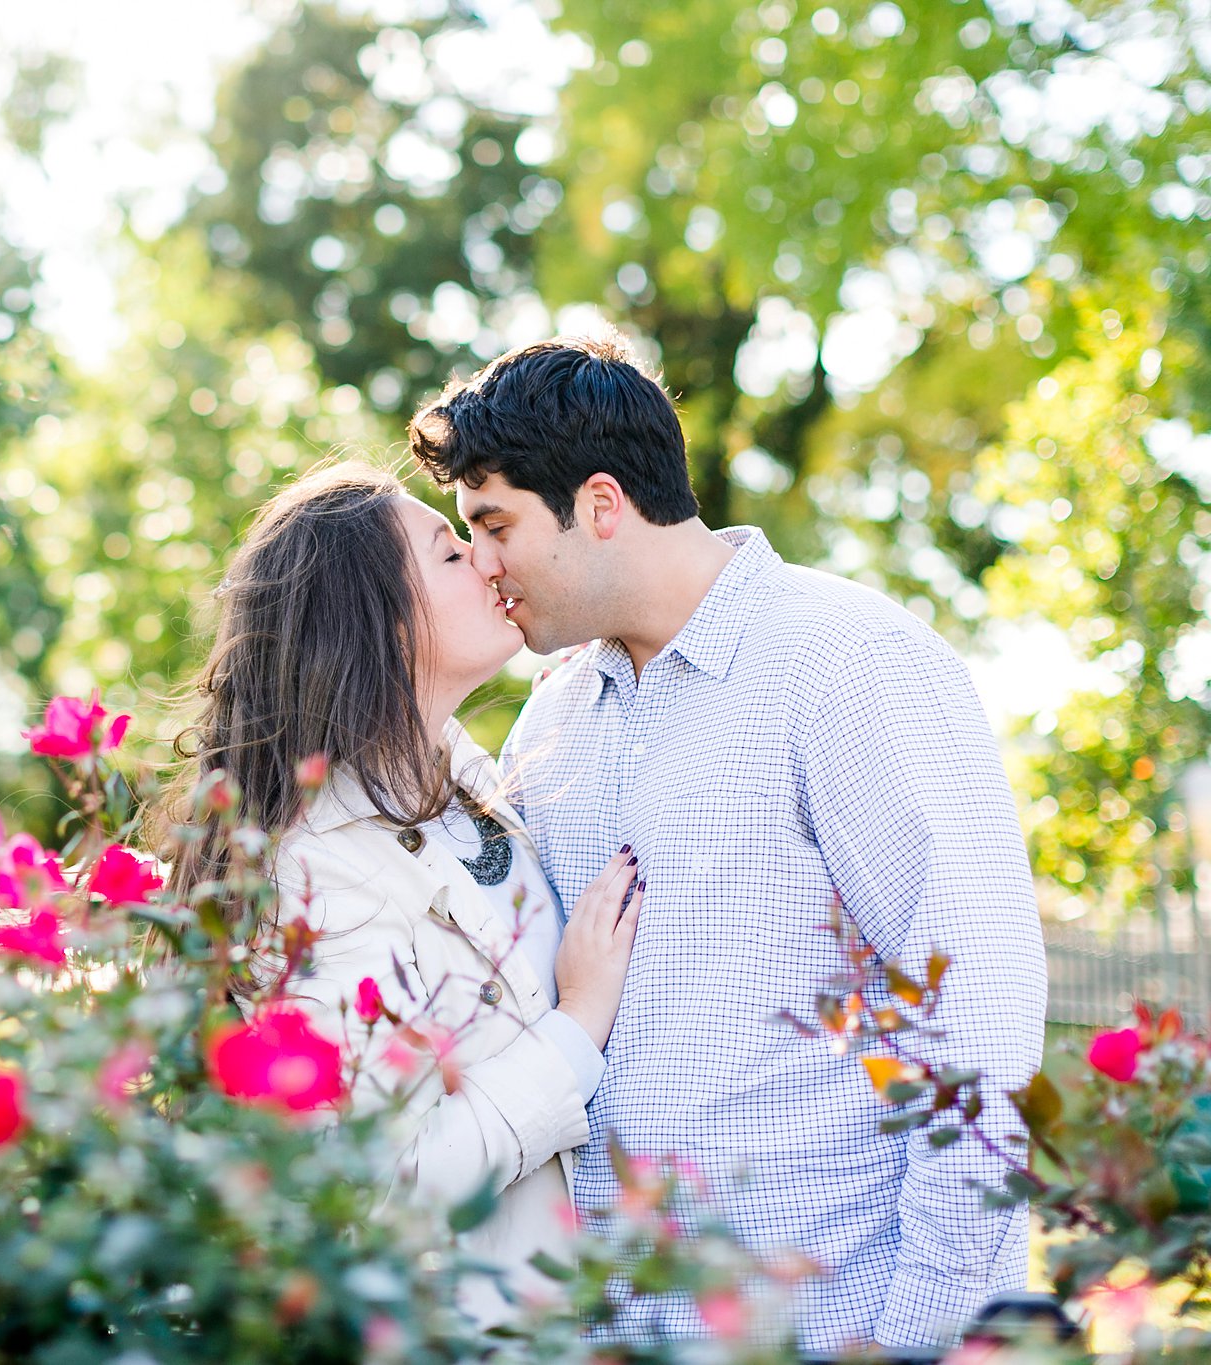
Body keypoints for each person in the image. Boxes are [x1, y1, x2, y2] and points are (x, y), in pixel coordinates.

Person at [408, 334, 1049, 1353]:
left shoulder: (845, 663)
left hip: (842, 1325)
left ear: (601, 505)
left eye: (492, 525)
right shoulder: (550, 721)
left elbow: (978, 1005)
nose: (478, 565)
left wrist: (926, 1330)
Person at [168, 461, 642, 1325]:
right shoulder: (316, 873)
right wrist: (579, 1025)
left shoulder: (468, 777)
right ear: (381, 624)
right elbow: (378, 1190)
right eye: (451, 554)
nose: (489, 560)